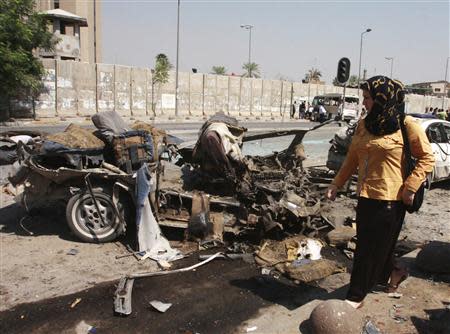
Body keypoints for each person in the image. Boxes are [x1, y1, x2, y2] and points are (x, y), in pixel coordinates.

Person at [326, 76, 435, 309]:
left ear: (382, 98)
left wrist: (411, 187)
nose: (363, 102)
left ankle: (355, 297)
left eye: (367, 98)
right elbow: (352, 158)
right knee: (378, 245)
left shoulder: (406, 125)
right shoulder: (364, 125)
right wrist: (336, 184)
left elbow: (427, 157)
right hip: (365, 195)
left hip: (392, 199)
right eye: (364, 97)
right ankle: (395, 273)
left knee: (367, 250)